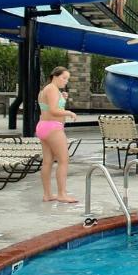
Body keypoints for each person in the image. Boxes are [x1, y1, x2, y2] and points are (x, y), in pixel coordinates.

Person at [37, 66, 78, 202]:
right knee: (63, 160)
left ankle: (48, 194)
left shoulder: (47, 89)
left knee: (47, 161)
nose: (66, 81)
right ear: (55, 76)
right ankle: (61, 194)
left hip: (44, 126)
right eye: (64, 78)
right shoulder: (52, 89)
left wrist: (62, 100)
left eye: (67, 79)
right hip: (53, 128)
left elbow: (50, 108)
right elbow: (54, 111)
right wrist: (69, 112)